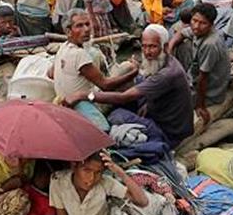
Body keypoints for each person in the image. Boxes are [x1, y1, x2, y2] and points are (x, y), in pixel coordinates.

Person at [64, 24, 194, 147]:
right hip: (161, 116)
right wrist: (147, 104)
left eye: (152, 47)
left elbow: (124, 97)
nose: (147, 52)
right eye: (144, 46)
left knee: (116, 115)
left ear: (164, 47)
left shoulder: (167, 74)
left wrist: (85, 95)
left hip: (169, 133)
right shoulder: (163, 61)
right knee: (134, 85)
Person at [52, 10, 138, 129]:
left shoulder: (63, 47)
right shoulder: (79, 54)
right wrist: (134, 73)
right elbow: (105, 85)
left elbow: (50, 73)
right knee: (127, 67)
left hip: (66, 102)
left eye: (87, 24)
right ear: (68, 31)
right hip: (83, 105)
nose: (86, 29)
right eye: (79, 26)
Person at [49, 151, 148, 215]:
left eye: (98, 172)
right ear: (74, 166)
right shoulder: (58, 181)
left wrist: (120, 172)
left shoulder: (105, 183)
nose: (92, 178)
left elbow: (142, 201)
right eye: (87, 170)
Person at [169, 2, 231, 124]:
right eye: (194, 20)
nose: (196, 26)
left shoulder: (210, 44)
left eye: (203, 23)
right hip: (196, 77)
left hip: (210, 91)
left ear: (211, 25)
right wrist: (170, 50)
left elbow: (203, 78)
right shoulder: (198, 30)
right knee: (180, 45)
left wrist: (200, 105)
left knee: (171, 103)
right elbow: (181, 33)